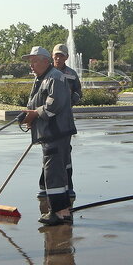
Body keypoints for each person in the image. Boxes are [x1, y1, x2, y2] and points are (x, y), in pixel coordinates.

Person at [22, 46, 77, 226]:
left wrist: (35, 114)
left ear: (46, 61)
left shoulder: (55, 78)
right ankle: (61, 210)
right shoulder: (42, 78)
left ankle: (60, 212)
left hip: (56, 132)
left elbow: (54, 106)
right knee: (54, 171)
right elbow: (37, 103)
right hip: (50, 132)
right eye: (30, 62)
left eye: (35, 61)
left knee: (54, 173)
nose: (31, 65)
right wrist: (30, 117)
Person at [52, 44, 82, 200]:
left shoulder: (71, 74)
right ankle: (45, 186)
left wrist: (70, 101)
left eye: (61, 56)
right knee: (49, 152)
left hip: (65, 120)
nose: (58, 58)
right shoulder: (46, 72)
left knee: (65, 151)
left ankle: (68, 185)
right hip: (48, 120)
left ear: (66, 57)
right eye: (56, 55)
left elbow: (78, 91)